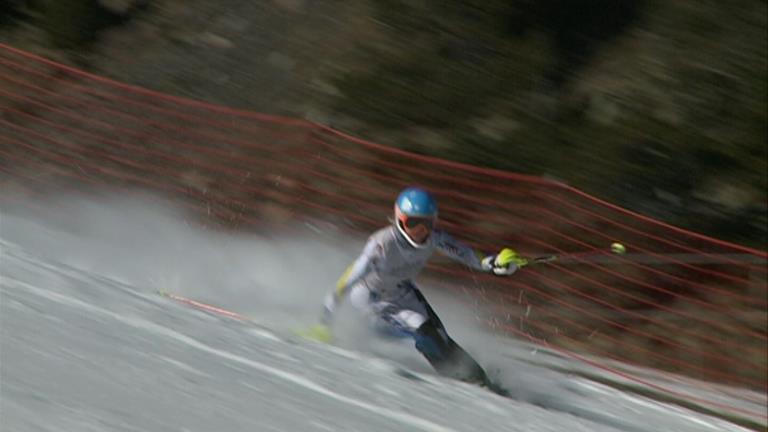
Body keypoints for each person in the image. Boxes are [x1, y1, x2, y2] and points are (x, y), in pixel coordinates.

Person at [303, 186, 527, 385]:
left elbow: (467, 255)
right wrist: (324, 323)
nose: (420, 230)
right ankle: (461, 379)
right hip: (373, 301)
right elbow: (346, 282)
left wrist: (495, 263)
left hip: (402, 291)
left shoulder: (434, 238)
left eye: (426, 223)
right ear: (400, 220)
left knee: (439, 334)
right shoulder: (381, 245)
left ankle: (478, 378)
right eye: (412, 223)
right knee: (424, 331)